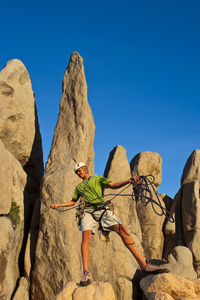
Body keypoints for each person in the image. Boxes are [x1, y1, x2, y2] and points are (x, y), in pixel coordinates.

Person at [51, 162, 169, 286]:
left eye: (80, 171)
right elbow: (73, 201)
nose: (79, 174)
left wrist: (128, 181)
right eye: (77, 173)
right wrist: (58, 205)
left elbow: (112, 185)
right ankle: (86, 273)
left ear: (85, 169)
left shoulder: (97, 179)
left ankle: (144, 266)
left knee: (123, 231)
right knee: (85, 236)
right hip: (87, 211)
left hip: (101, 209)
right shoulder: (79, 187)